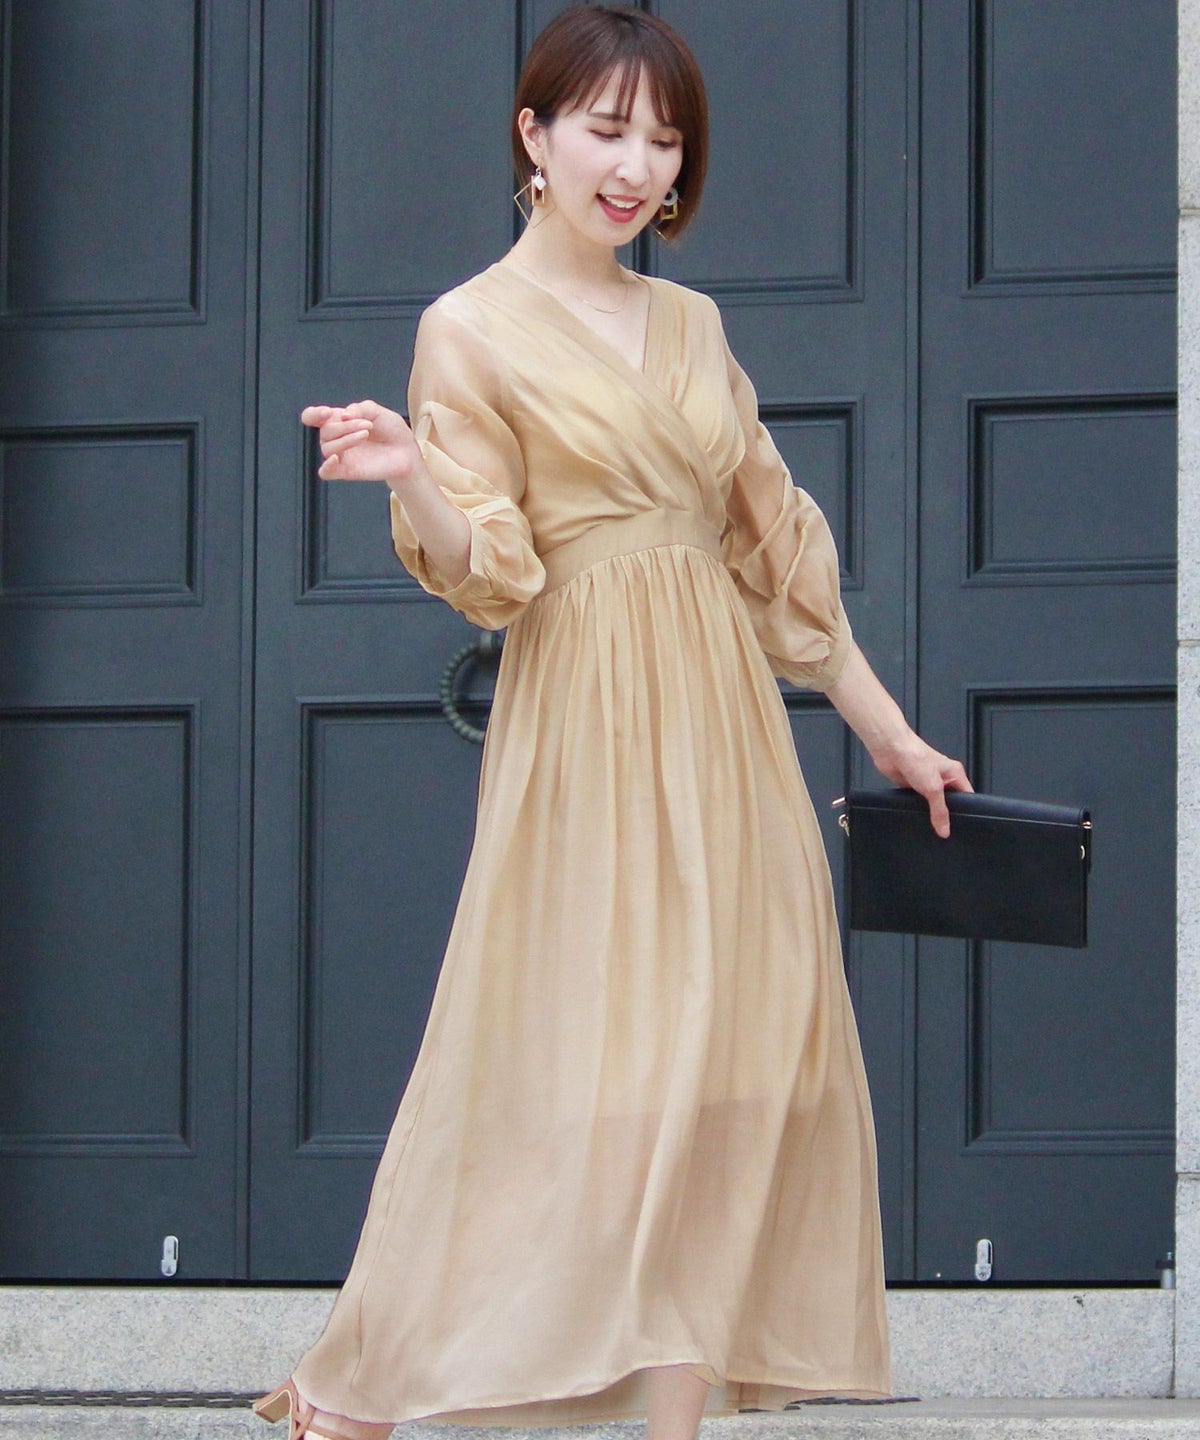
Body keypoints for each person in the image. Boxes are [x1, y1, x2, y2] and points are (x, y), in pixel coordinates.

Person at [255, 7, 971, 1440]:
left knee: (734, 1082)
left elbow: (775, 549)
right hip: (585, 726)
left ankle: (671, 1429)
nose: (638, 165)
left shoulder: (693, 326)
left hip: (724, 730)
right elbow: (495, 571)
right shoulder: (466, 328)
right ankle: (367, 1383)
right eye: (606, 129)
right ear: (533, 135)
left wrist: (887, 733)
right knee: (562, 1077)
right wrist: (412, 475)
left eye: (664, 138)